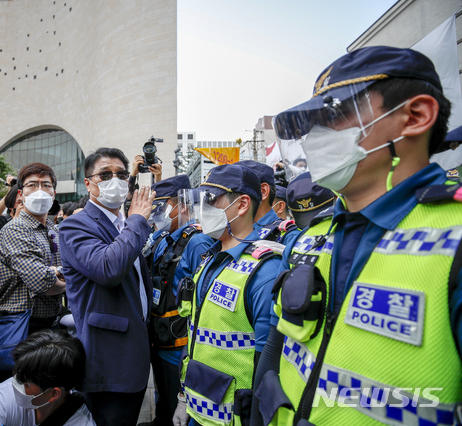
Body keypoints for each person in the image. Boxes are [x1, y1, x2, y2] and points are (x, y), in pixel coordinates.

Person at [251, 46, 462, 426]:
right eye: (310, 125)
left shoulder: (455, 241)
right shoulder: (311, 239)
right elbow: (276, 346)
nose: (315, 138)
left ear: (416, 116)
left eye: (334, 115)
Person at [172, 164, 282, 426]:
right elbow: (195, 333)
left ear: (242, 205)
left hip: (236, 418)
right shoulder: (210, 258)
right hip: (198, 409)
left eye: (211, 200)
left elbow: (268, 363)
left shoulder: (265, 271)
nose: (203, 209)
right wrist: (183, 398)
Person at [59, 147, 155, 426]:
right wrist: (137, 220)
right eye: (105, 174)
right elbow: (108, 270)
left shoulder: (124, 224)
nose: (115, 180)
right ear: (88, 183)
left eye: (121, 174)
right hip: (108, 360)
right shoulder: (76, 225)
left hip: (133, 354)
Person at [142, 175, 214, 426]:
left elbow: (202, 298)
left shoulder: (197, 242)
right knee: (162, 396)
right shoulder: (163, 239)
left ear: (182, 206)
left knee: (176, 404)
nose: (157, 214)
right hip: (159, 337)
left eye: (162, 207)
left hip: (179, 343)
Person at [0, 162, 66, 381]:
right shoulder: (15, 229)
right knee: (22, 393)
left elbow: (64, 274)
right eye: (32, 185)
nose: (40, 191)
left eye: (46, 185)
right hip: (21, 327)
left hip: (50, 324)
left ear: (54, 194)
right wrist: (65, 276)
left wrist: (58, 272)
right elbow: (44, 283)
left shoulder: (53, 230)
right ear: (21, 193)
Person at [237, 160, 299, 245]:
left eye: (234, 190)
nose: (227, 198)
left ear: (263, 192)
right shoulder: (230, 232)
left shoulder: (289, 237)